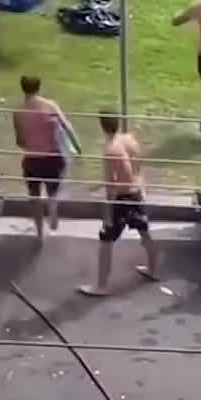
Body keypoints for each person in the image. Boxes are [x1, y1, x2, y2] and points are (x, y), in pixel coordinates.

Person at [78, 112, 157, 296]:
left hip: (122, 198)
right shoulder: (130, 140)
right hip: (136, 192)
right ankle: (153, 270)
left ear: (101, 126)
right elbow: (138, 166)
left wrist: (107, 215)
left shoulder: (109, 150)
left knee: (106, 240)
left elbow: (110, 186)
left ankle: (101, 286)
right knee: (144, 232)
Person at [13, 75, 80, 241]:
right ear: (39, 87)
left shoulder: (18, 112)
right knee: (53, 191)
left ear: (22, 88)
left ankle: (39, 232)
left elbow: (19, 141)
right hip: (53, 157)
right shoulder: (50, 106)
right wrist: (77, 147)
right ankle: (53, 211)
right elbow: (67, 127)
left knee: (34, 195)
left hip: (31, 159)